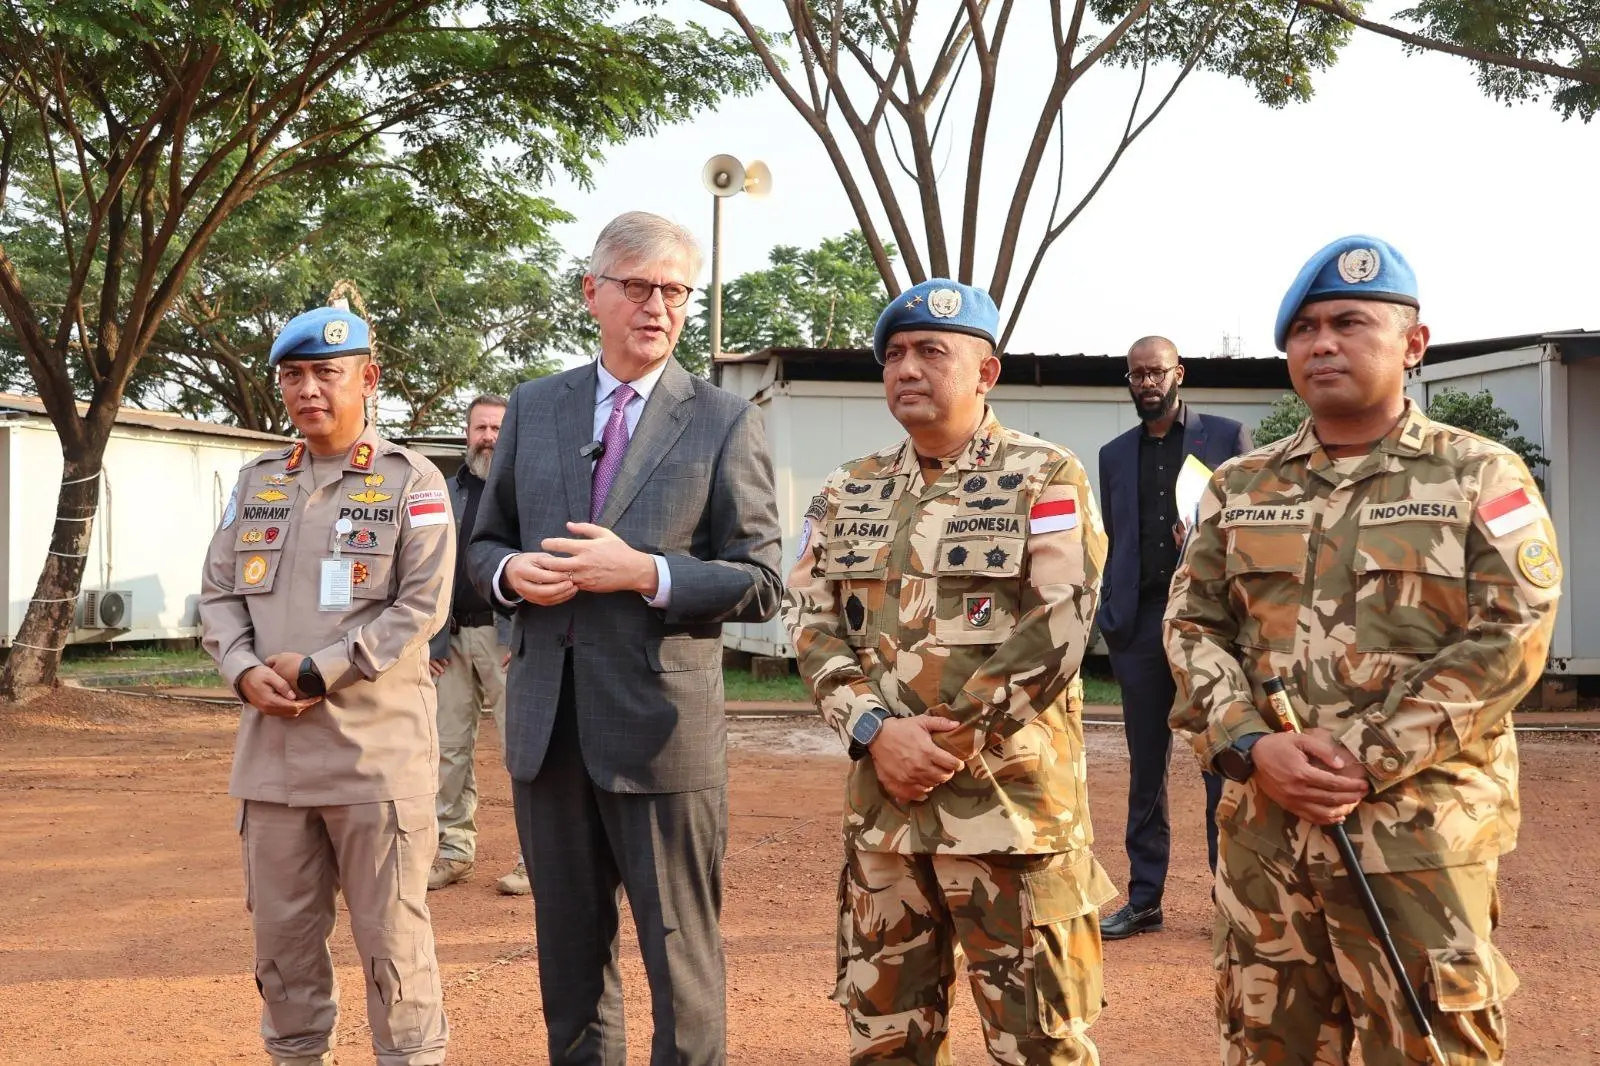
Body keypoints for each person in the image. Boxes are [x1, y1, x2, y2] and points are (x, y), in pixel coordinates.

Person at [1166, 235, 1562, 1065]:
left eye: (1349, 322)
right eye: (1304, 330)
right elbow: (1192, 625)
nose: (1322, 344)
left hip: (1416, 844)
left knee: (1428, 1049)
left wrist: (1362, 757)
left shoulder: (1480, 476)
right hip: (1264, 840)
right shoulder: (1240, 487)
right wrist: (1251, 745)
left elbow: (1511, 633)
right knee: (1268, 1044)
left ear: (1414, 344)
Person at [467, 210, 783, 1066]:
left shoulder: (722, 418)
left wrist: (645, 572)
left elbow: (760, 580)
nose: (657, 307)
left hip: (661, 740)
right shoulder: (534, 407)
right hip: (547, 732)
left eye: (675, 291)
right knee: (569, 969)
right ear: (592, 293)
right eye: (637, 287)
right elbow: (481, 543)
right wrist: (507, 576)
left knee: (681, 966)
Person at [784, 278, 1115, 1065]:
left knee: (1040, 1044)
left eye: (932, 351)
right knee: (884, 1042)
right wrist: (874, 731)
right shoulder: (845, 487)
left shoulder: (1045, 475)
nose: (907, 369)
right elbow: (810, 619)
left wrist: (945, 741)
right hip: (886, 824)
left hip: (1009, 817)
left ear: (985, 371)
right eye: (894, 354)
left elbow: (1061, 621)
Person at [200, 303, 454, 1066]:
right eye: (293, 375)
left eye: (326, 373)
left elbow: (422, 604)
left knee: (393, 949)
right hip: (272, 764)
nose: (308, 389)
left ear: (367, 380)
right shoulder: (258, 481)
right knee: (282, 951)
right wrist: (242, 670)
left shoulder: (413, 480)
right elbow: (217, 594)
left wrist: (323, 668)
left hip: (376, 764)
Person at [1095, 337, 1252, 940]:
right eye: (1136, 374)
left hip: (1207, 622)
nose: (1147, 383)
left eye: (1156, 372)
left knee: (1222, 758)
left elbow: (1252, 523)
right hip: (1138, 625)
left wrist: (1209, 530)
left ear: (1177, 373)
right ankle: (1144, 898)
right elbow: (1116, 537)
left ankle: (1229, 896)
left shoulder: (1226, 436)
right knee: (1146, 770)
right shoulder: (1113, 455)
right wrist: (1113, 612)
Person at [425, 394, 528, 896]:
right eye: (480, 428)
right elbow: (428, 570)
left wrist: (522, 631)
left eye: (497, 429)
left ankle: (535, 859)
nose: (488, 437)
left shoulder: (526, 491)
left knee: (523, 753)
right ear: (466, 434)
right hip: (452, 641)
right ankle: (453, 851)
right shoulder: (443, 492)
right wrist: (432, 641)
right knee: (448, 751)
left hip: (506, 638)